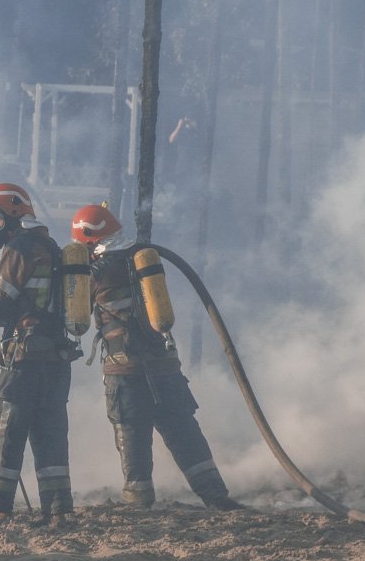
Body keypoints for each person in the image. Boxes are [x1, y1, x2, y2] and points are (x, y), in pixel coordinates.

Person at [71, 203, 242, 510]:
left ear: (88, 238)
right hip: (166, 366)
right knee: (183, 431)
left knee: (132, 436)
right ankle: (215, 495)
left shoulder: (97, 272)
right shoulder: (142, 259)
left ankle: (138, 502)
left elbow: (74, 314)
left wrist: (76, 271)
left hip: (125, 371)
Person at [0, 183, 78, 525]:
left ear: (12, 216)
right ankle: (58, 508)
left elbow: (0, 300)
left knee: (5, 428)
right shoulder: (52, 248)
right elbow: (33, 303)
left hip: (24, 358)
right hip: (56, 359)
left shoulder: (20, 249)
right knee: (49, 433)